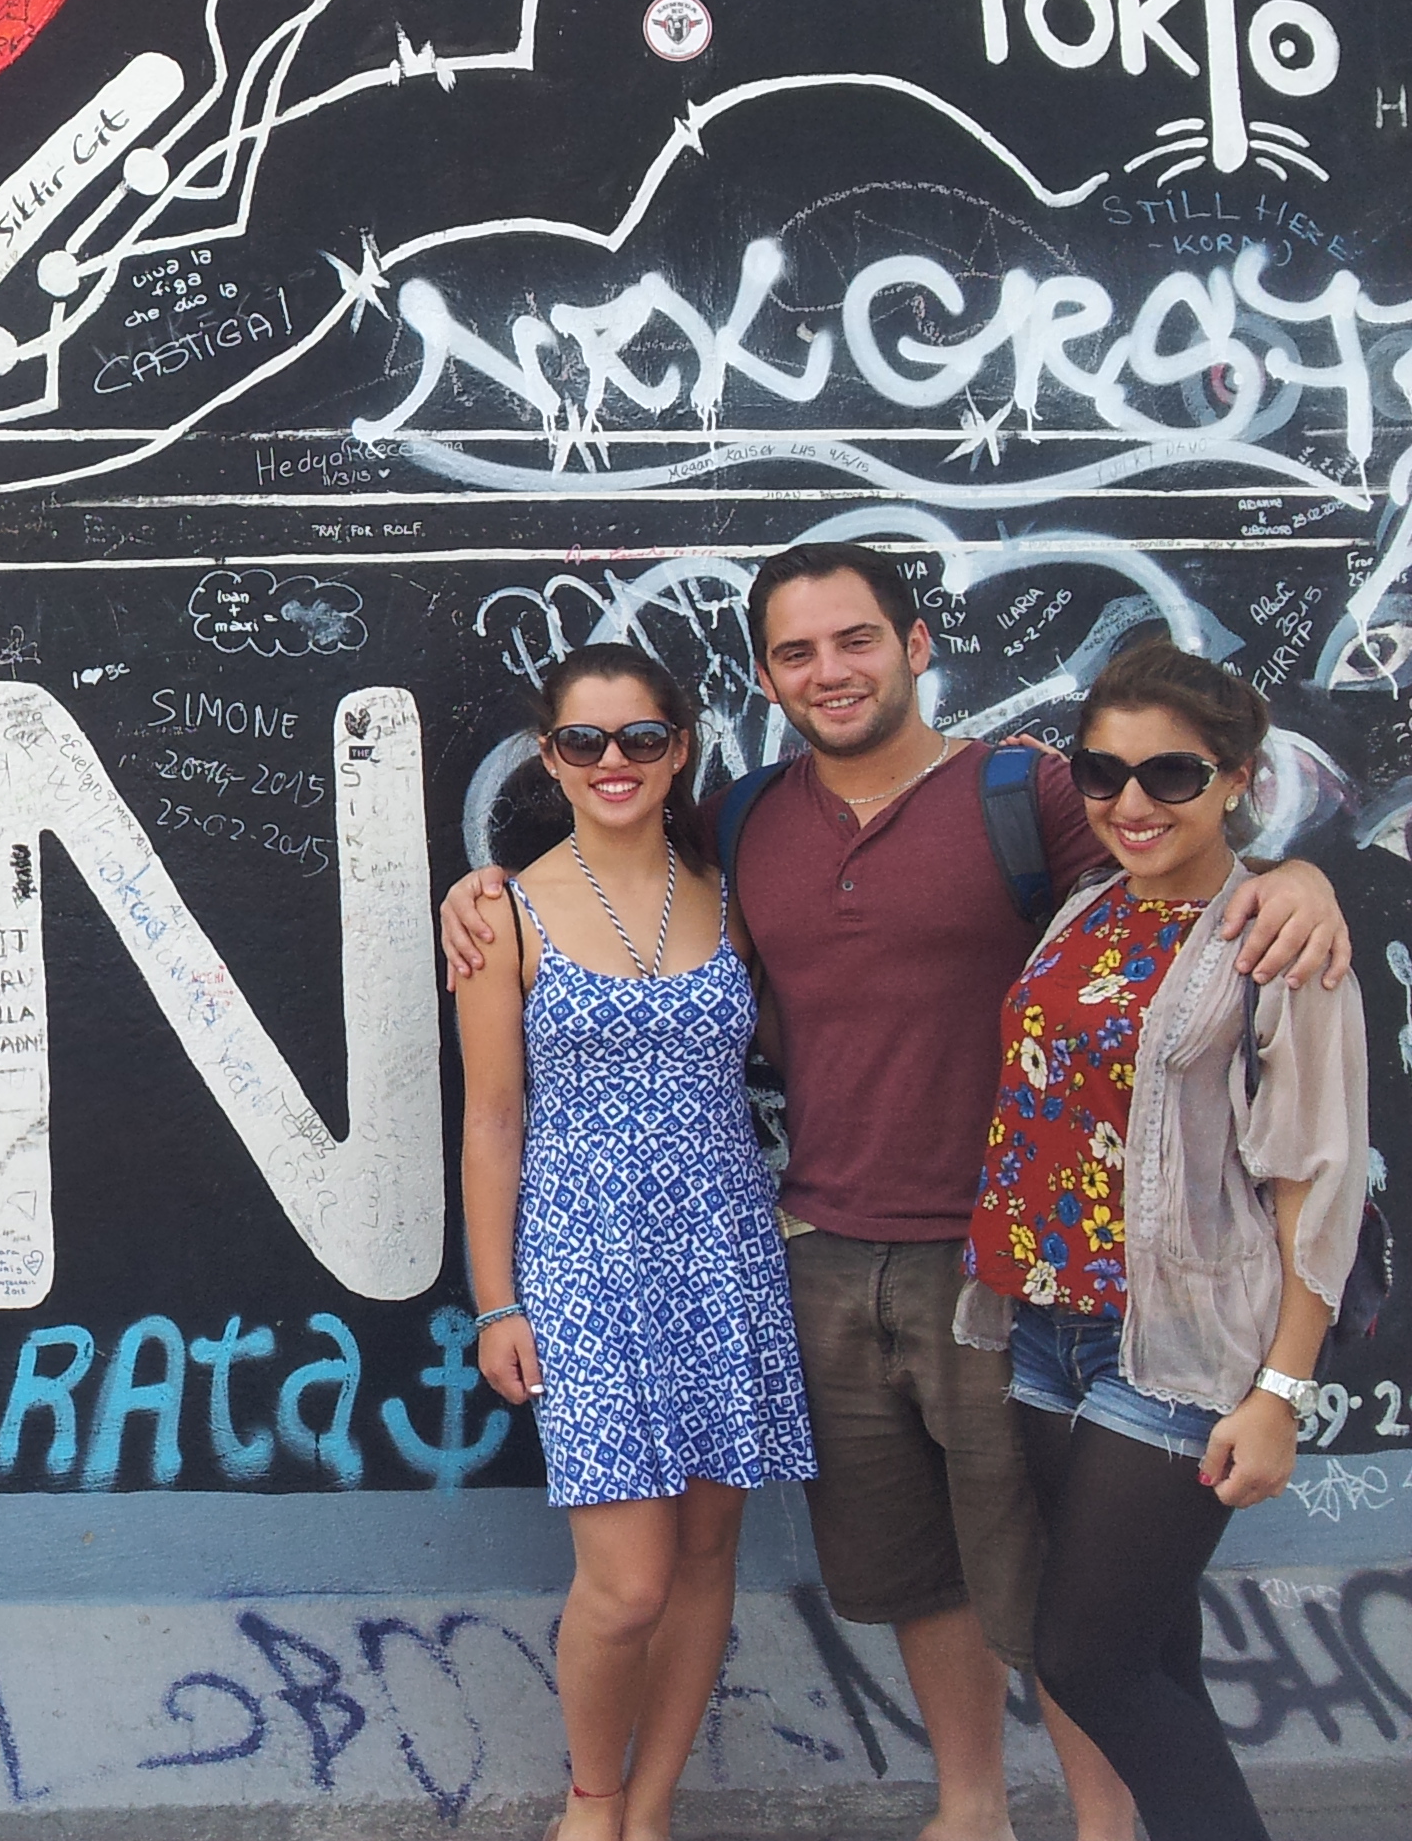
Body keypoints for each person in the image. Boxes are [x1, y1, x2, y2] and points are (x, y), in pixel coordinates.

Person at [441, 542, 1351, 1841]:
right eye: (797, 653)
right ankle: (969, 1810)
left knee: (1048, 1586)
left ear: (916, 645)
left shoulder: (1030, 793)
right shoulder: (742, 821)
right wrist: (482, 890)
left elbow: (1178, 849)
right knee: (918, 1570)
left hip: (996, 1268)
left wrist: (1297, 876)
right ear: (766, 680)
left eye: (856, 639)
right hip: (815, 1252)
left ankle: (1104, 1829)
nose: (831, 671)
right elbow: (606, 867)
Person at [957, 640, 1370, 1841]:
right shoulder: (1085, 907)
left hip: (1183, 1348)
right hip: (1051, 1333)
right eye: (1103, 772)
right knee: (1151, 1654)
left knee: (1085, 1659)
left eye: (1171, 775)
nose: (1131, 802)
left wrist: (1280, 1394)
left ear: (1237, 778)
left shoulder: (1279, 943)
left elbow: (1316, 1185)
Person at [457, 643, 814, 1841]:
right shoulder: (502, 911)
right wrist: (498, 1302)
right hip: (583, 1265)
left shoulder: (735, 895)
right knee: (628, 1585)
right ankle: (592, 1804)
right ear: (551, 758)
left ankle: (652, 1810)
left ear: (680, 749)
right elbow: (492, 1121)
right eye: (585, 740)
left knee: (708, 1558)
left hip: (721, 1252)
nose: (615, 761)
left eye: (642, 738)